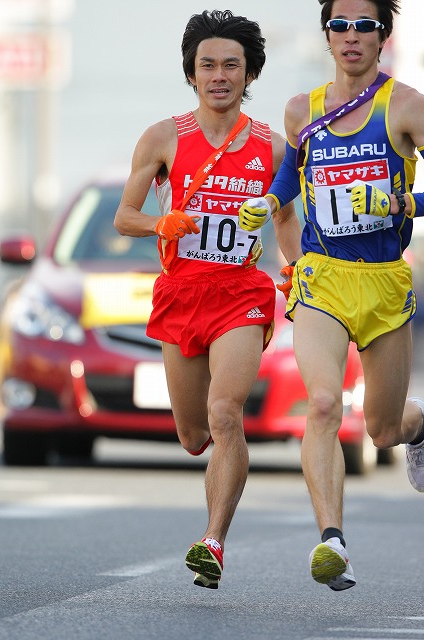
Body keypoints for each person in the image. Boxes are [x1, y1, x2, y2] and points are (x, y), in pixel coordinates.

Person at [238, 0, 424, 592]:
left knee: (383, 430)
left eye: (363, 26)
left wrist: (406, 204)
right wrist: (266, 205)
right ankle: (332, 543)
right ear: (326, 36)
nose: (351, 36)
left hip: (386, 281)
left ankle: (419, 430)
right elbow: (290, 176)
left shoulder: (406, 107)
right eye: (339, 26)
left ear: (382, 35)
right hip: (322, 276)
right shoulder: (302, 110)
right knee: (321, 404)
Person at [114, 9, 301, 589]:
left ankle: (213, 541)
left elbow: (287, 213)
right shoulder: (164, 137)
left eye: (232, 65)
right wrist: (163, 224)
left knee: (226, 414)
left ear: (249, 75)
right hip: (180, 291)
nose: (219, 75)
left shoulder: (272, 147)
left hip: (241, 292)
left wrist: (293, 269)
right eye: (208, 65)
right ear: (192, 75)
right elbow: (125, 217)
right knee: (194, 433)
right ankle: (210, 493)